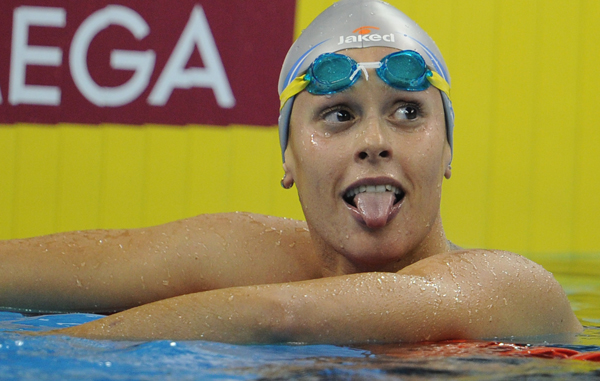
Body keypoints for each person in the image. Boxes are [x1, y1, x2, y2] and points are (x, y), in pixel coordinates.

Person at [2, 0, 581, 343]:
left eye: (408, 112)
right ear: (288, 156)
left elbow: (276, 315)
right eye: (338, 115)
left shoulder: (510, 290)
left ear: (448, 149)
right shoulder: (239, 252)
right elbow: (73, 267)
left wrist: (54, 354)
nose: (374, 142)